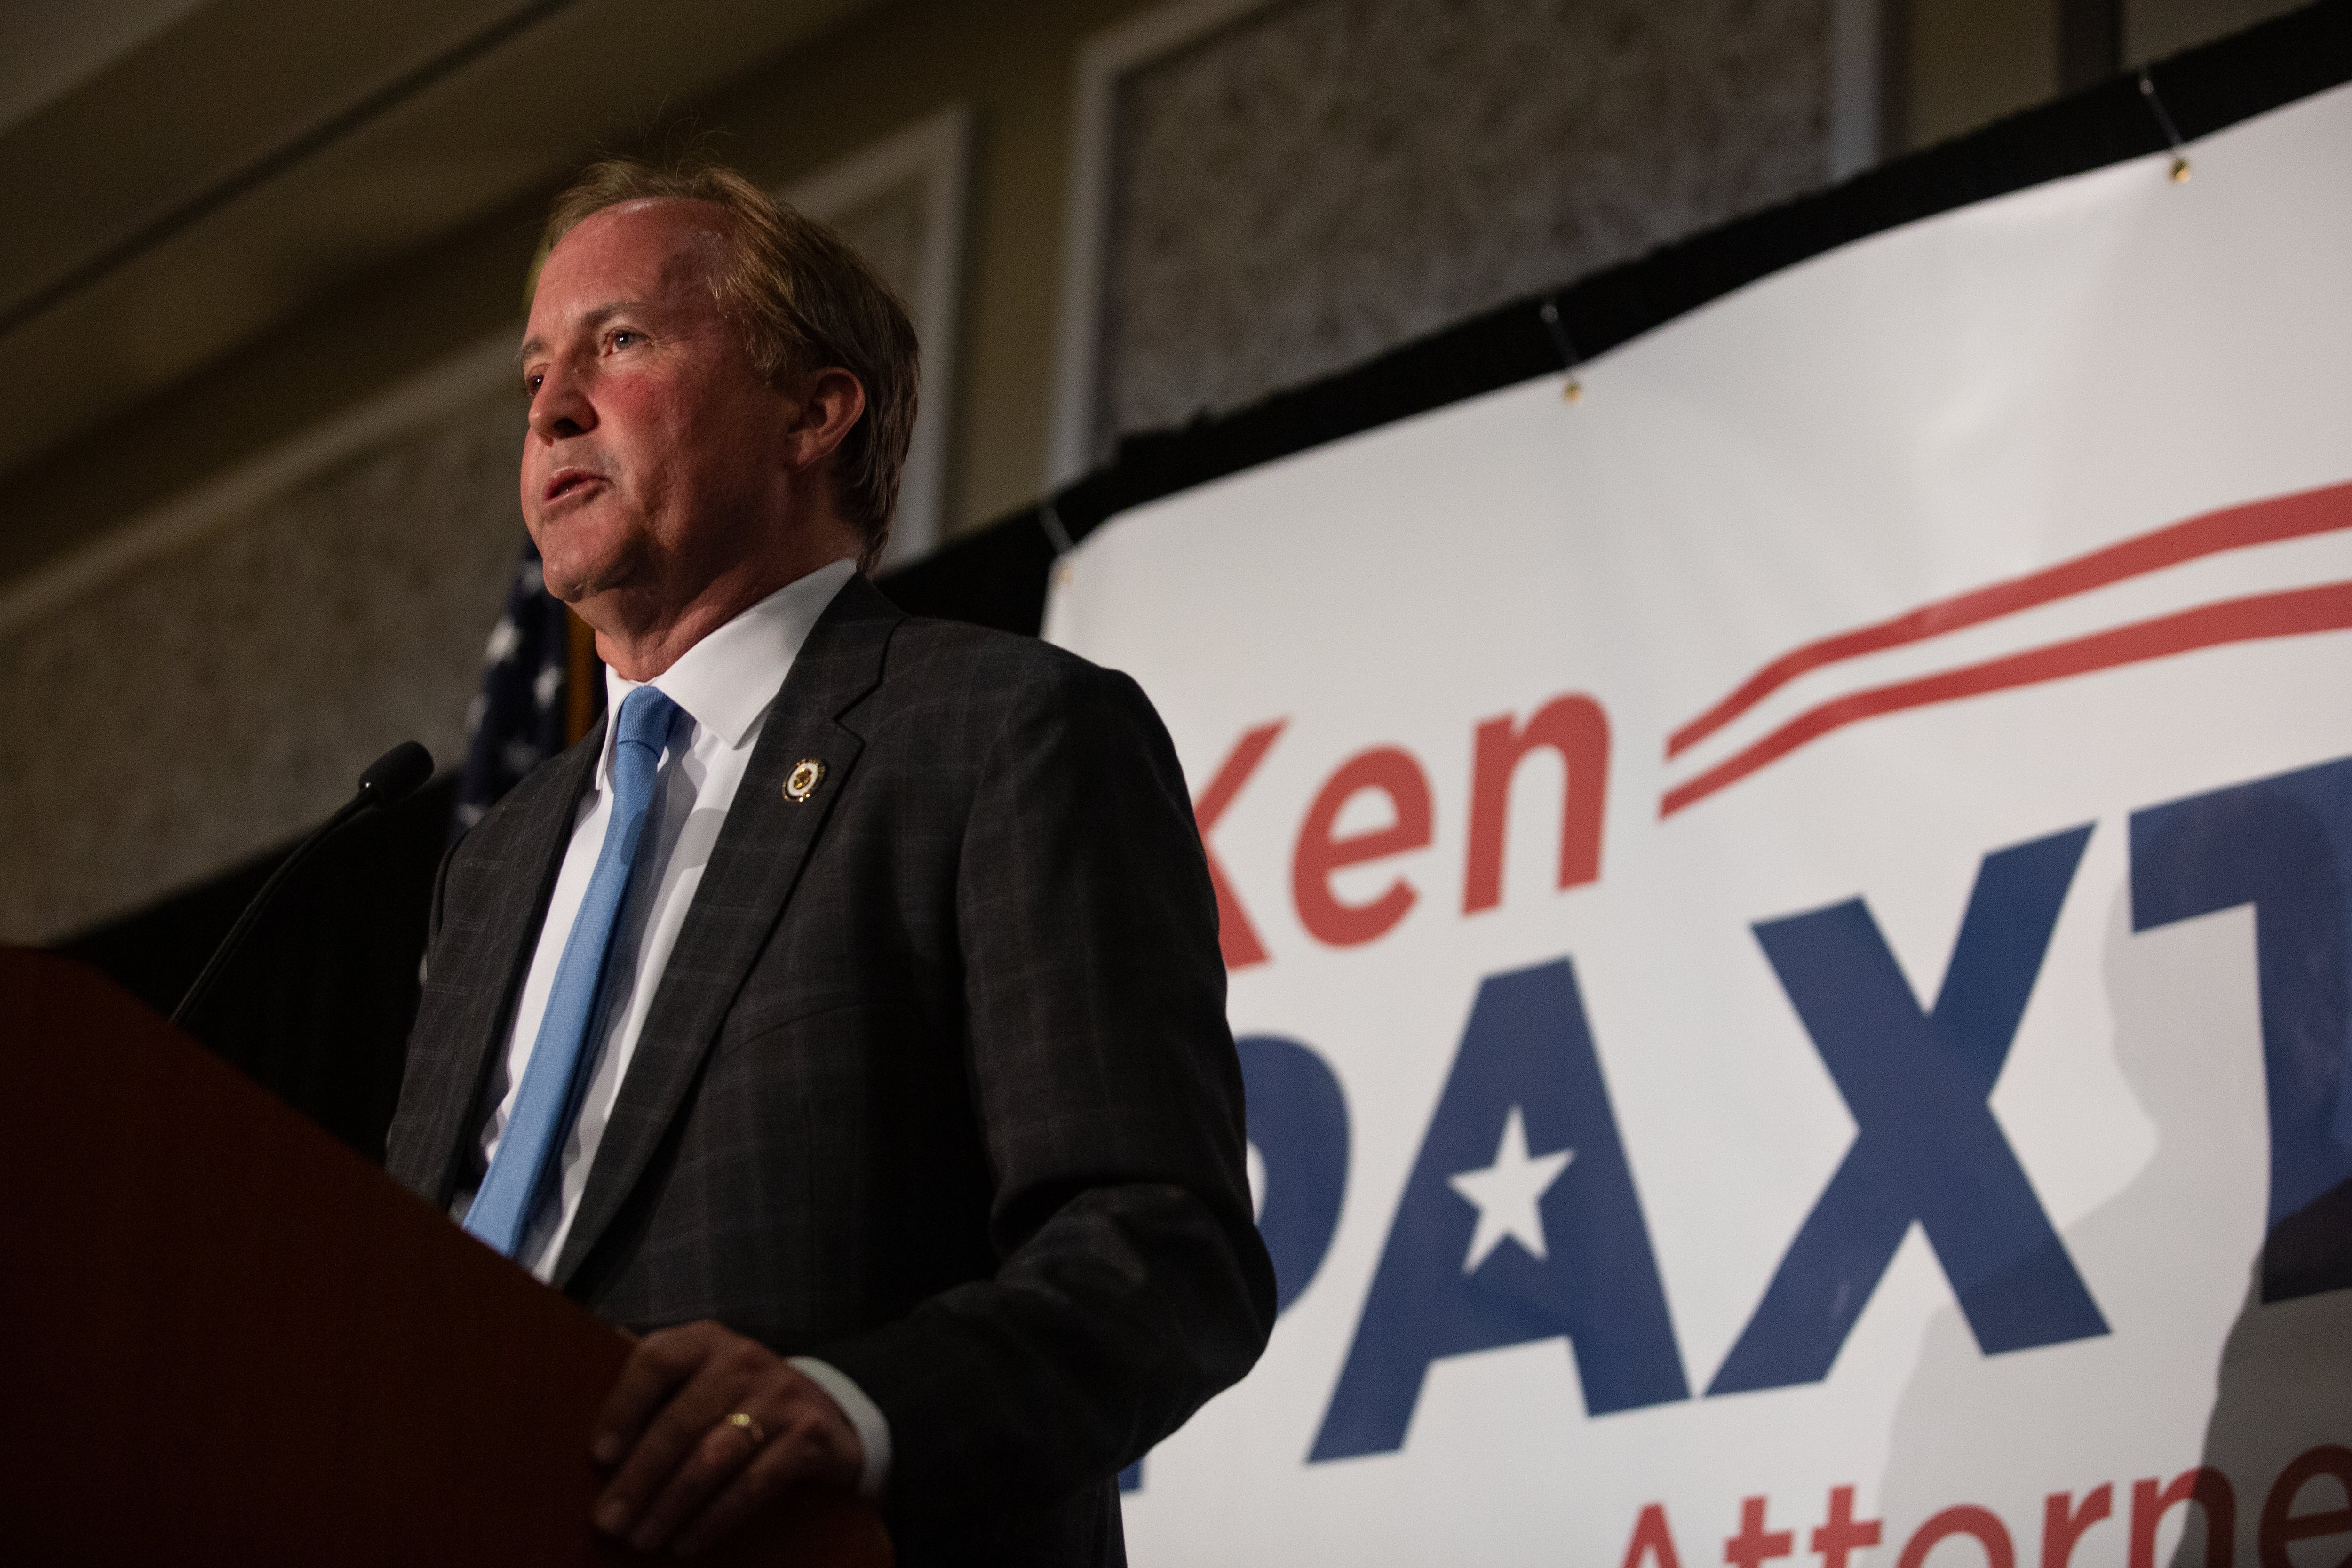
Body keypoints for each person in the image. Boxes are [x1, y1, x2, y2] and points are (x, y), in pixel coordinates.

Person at [385, 159, 1273, 1565]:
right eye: (536, 373)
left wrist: (857, 1413)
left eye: (620, 344)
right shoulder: (495, 861)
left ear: (814, 409)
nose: (552, 406)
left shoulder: (1001, 735)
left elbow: (1162, 1253)